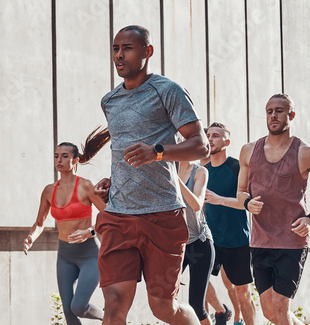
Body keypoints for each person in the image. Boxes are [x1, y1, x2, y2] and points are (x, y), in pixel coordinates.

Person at [92, 25, 211, 325]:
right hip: (118, 215)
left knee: (163, 308)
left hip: (162, 215)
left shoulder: (168, 91)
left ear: (148, 51)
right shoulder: (110, 101)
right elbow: (122, 149)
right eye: (116, 48)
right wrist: (113, 180)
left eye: (127, 48)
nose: (119, 55)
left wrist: (158, 152)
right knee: (114, 304)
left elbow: (201, 146)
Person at [208, 94, 310, 325]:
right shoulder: (249, 150)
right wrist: (247, 203)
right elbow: (241, 191)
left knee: (280, 308)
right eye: (269, 111)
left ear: (291, 115)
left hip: (292, 241)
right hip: (259, 242)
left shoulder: (307, 153)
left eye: (279, 110)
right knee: (268, 312)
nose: (273, 115)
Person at [23, 129, 111, 325]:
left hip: (89, 254)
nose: (59, 160)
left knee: (78, 307)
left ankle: (110, 318)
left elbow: (110, 215)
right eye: (56, 156)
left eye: (64, 156)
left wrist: (90, 231)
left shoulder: (86, 186)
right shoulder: (48, 190)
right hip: (65, 256)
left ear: (75, 160)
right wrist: (31, 237)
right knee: (69, 313)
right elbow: (39, 223)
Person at [201, 123, 257, 325]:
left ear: (227, 142)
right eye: (208, 135)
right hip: (210, 239)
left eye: (216, 136)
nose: (210, 139)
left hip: (237, 240)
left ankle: (241, 320)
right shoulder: (203, 172)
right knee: (201, 283)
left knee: (241, 291)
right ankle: (221, 312)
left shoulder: (236, 168)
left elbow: (248, 205)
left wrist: (219, 199)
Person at [175, 160, 217, 325]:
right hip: (176, 245)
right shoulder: (167, 169)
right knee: (167, 300)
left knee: (196, 306)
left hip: (200, 244)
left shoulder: (200, 172)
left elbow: (197, 205)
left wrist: (176, 179)